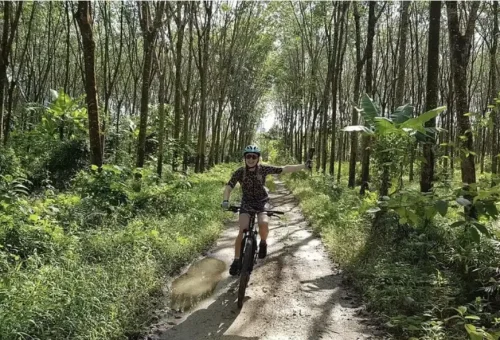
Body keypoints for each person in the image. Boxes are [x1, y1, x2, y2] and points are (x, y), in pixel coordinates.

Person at [221, 144, 312, 276]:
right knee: (242, 229)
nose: (251, 159)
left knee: (263, 223)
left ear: (258, 158)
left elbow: (284, 169)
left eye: (254, 157)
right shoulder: (240, 171)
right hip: (247, 202)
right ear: (245, 158)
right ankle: (236, 260)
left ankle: (263, 242)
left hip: (262, 201)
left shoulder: (263, 169)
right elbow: (229, 187)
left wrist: (303, 166)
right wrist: (225, 200)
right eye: (248, 156)